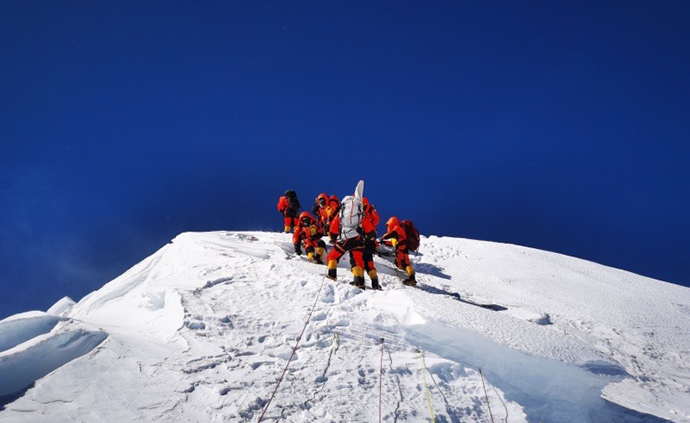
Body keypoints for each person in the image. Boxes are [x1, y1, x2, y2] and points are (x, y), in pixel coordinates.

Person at [326, 196, 366, 287]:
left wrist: (333, 238)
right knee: (357, 260)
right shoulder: (361, 214)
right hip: (358, 240)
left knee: (333, 256)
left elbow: (333, 229)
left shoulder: (341, 214)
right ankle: (359, 282)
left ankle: (332, 276)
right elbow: (370, 229)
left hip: (345, 239)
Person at [349, 197, 380, 289]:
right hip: (370, 242)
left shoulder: (360, 215)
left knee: (357, 260)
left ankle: (359, 282)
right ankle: (375, 284)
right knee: (369, 263)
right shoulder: (371, 214)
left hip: (360, 240)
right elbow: (376, 221)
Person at [380, 216, 416, 285]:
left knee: (403, 264)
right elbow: (394, 243)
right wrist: (385, 242)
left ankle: (411, 278)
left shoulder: (397, 228)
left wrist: (383, 237)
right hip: (404, 248)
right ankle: (411, 275)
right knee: (405, 264)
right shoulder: (400, 230)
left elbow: (391, 234)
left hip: (401, 249)